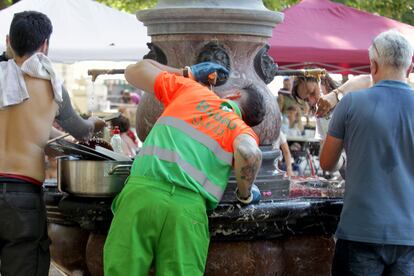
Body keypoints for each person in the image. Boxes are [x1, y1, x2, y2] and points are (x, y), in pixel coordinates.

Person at [104, 60, 265, 275]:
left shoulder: (192, 90)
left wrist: (187, 73)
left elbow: (134, 71)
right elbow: (250, 153)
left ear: (234, 95)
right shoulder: (239, 129)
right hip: (187, 213)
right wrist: (245, 194)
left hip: (140, 198)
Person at [0, 11, 104, 276]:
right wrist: (95, 122)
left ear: (8, 40)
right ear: (45, 44)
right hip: (22, 194)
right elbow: (81, 132)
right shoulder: (53, 87)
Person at [320, 30, 414, 275]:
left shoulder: (350, 104)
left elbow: (328, 163)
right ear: (410, 66)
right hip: (409, 235)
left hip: (361, 231)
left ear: (372, 65)